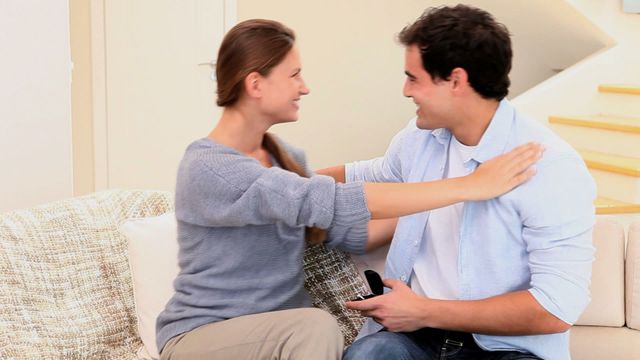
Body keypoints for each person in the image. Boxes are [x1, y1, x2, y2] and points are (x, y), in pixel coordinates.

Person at [155, 19, 542, 360]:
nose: (305, 88)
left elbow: (354, 229)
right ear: (255, 83)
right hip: (203, 336)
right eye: (294, 75)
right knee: (317, 327)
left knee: (321, 330)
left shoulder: (287, 157)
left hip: (279, 336)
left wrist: (443, 208)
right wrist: (467, 187)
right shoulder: (209, 167)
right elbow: (342, 200)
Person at [330, 5, 596, 360]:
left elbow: (555, 308)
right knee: (368, 355)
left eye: (414, 78)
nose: (406, 90)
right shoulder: (420, 138)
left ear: (455, 81)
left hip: (506, 350)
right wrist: (274, 176)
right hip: (414, 340)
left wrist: (422, 310)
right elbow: (369, 175)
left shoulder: (552, 168)